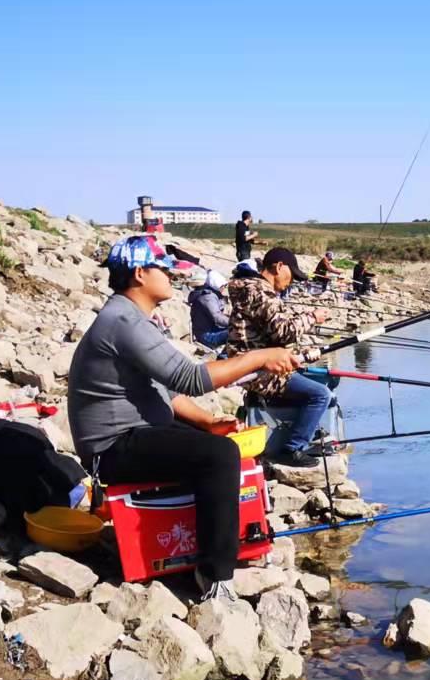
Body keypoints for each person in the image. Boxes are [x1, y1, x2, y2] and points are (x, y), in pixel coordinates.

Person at [69, 235, 300, 591]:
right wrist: (261, 356)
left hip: (135, 434)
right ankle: (214, 576)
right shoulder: (123, 322)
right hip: (112, 448)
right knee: (221, 456)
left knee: (217, 442)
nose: (171, 276)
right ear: (140, 274)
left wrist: (207, 422)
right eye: (163, 269)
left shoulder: (131, 317)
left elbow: (167, 391)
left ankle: (208, 544)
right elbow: (190, 379)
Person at [225, 247, 331, 468]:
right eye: (290, 274)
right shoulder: (261, 292)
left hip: (254, 363)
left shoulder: (251, 289)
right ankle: (292, 448)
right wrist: (312, 317)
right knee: (321, 395)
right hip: (259, 370)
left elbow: (273, 329)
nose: (290, 281)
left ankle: (304, 436)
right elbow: (284, 332)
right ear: (279, 267)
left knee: (319, 380)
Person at [187, 268, 232, 349]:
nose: (224, 288)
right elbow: (217, 317)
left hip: (211, 330)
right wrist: (234, 322)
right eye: (223, 286)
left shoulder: (211, 294)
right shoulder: (208, 297)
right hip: (207, 336)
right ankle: (223, 357)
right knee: (239, 333)